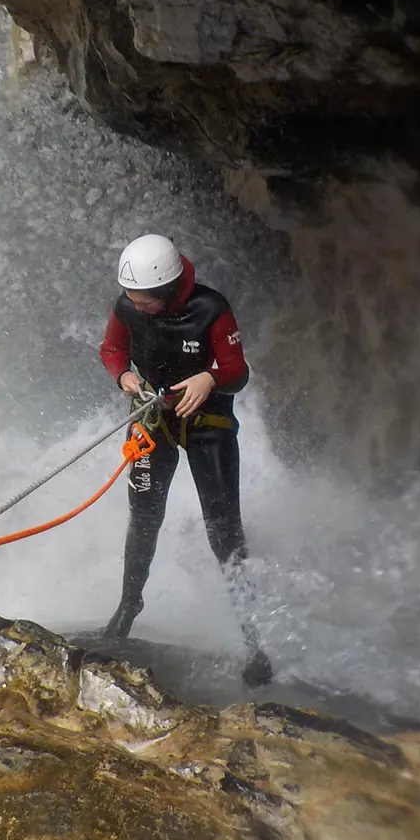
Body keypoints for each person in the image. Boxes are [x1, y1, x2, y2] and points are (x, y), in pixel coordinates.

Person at [98, 233, 273, 687]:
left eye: (146, 301)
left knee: (224, 528)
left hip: (207, 425)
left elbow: (237, 371)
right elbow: (112, 349)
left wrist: (209, 378)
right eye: (132, 299)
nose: (138, 307)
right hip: (153, 420)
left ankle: (254, 638)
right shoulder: (127, 307)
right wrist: (124, 376)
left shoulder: (210, 309)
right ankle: (128, 606)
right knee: (144, 518)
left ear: (170, 288)